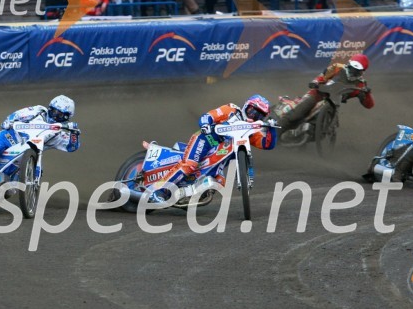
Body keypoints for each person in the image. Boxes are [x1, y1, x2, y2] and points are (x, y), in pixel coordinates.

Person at [149, 96, 277, 201]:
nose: (254, 116)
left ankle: (184, 195)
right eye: (252, 111)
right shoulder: (231, 110)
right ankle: (158, 190)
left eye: (259, 116)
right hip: (205, 140)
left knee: (219, 182)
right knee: (189, 165)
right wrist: (205, 125)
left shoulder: (251, 131)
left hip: (218, 158)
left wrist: (272, 129)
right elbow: (208, 116)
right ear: (246, 106)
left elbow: (267, 144)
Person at [0, 96, 80, 169]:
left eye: (60, 115)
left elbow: (72, 147)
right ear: (49, 109)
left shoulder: (59, 134)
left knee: (15, 185)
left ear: (66, 117)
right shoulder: (38, 111)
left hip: (25, 156)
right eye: (54, 111)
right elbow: (17, 115)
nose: (55, 116)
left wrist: (74, 133)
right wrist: (9, 121)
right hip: (8, 138)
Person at [277, 55, 374, 132]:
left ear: (362, 71)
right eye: (352, 68)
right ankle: (276, 131)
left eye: (356, 71)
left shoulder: (361, 84)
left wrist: (367, 94)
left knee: (331, 124)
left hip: (334, 104)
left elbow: (369, 105)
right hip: (317, 94)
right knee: (297, 113)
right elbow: (322, 77)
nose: (353, 72)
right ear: (348, 64)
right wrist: (315, 82)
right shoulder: (337, 68)